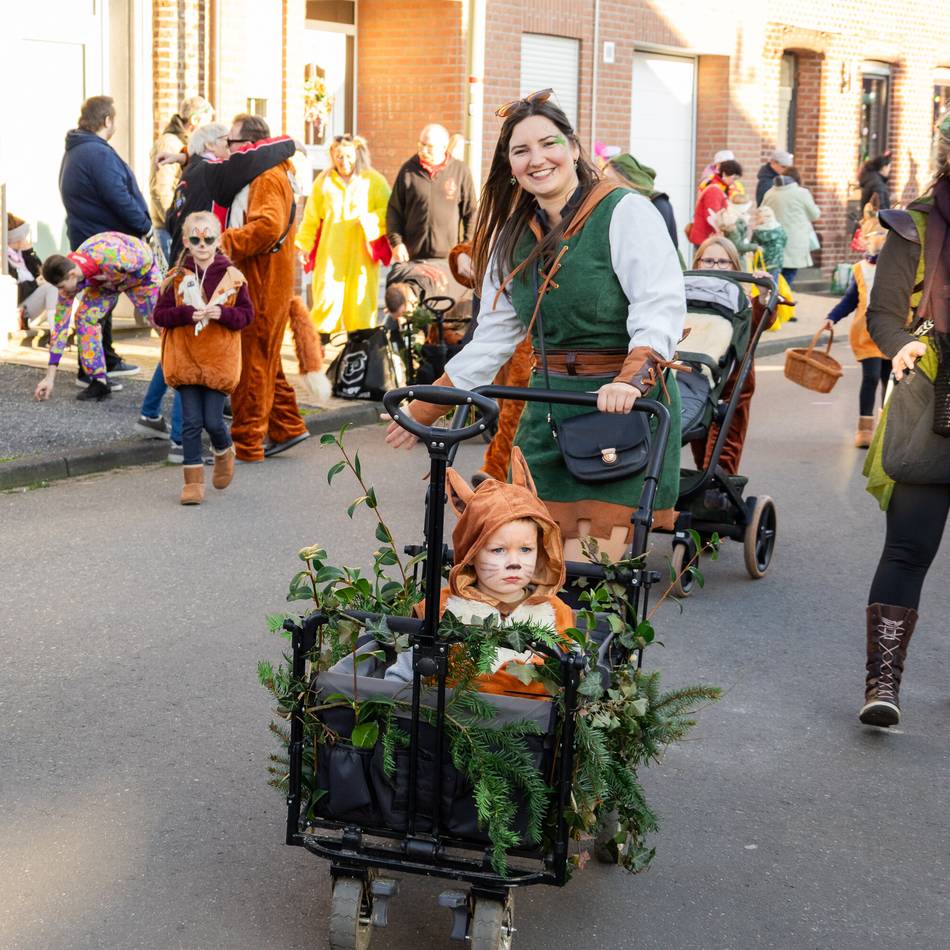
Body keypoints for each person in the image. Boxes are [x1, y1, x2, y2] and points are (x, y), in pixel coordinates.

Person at [385, 90, 685, 562]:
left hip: (621, 412)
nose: (537, 159)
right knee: (526, 563)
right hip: (548, 409)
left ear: (574, 148)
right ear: (510, 166)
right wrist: (428, 404)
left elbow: (659, 307)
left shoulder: (625, 211)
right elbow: (493, 336)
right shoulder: (510, 236)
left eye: (549, 144)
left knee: (592, 568)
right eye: (521, 150)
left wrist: (631, 379)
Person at [857, 113, 950, 728]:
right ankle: (882, 684)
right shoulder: (914, 226)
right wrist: (902, 345)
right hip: (931, 397)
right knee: (909, 549)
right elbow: (883, 315)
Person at [385, 449, 573, 698]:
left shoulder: (556, 613)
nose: (514, 563)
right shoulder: (442, 609)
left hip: (533, 720)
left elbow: (576, 676)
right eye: (498, 550)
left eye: (526, 549)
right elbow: (402, 675)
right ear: (471, 555)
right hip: (452, 716)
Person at [219, 114, 310, 462]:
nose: (228, 149)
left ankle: (248, 442)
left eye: (231, 142)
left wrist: (224, 243)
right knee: (266, 360)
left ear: (247, 144)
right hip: (267, 281)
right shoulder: (271, 171)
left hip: (261, 283)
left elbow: (267, 227)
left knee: (252, 364)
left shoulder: (266, 176)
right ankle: (287, 426)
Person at [152, 211, 254, 504]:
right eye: (196, 240)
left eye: (208, 239)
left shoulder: (233, 278)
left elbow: (247, 315)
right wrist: (185, 314)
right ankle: (193, 483)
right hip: (185, 359)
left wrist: (223, 313)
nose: (202, 246)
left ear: (217, 240)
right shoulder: (176, 278)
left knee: (212, 420)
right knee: (191, 422)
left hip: (218, 362)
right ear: (186, 241)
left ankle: (224, 450)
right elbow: (160, 315)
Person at [58, 95, 145, 382]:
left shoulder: (78, 150)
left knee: (99, 305)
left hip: (89, 237)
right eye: (114, 119)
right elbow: (118, 195)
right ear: (107, 120)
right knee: (97, 306)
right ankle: (93, 368)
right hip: (101, 242)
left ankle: (104, 360)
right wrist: (143, 224)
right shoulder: (96, 153)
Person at [33, 232, 160, 402]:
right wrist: (50, 377)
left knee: (161, 320)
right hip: (105, 283)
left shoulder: (112, 256)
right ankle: (99, 381)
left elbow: (146, 258)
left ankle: (183, 370)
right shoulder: (68, 282)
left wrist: (123, 279)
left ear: (72, 274)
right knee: (84, 318)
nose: (61, 291)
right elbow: (60, 328)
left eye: (61, 286)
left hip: (140, 276)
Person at [687, 235, 774, 477]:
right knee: (697, 443)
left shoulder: (742, 301)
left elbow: (758, 323)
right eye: (709, 261)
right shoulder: (687, 295)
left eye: (723, 262)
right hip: (697, 377)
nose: (715, 267)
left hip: (731, 384)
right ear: (698, 263)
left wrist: (763, 297)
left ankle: (719, 488)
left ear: (734, 266)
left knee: (722, 455)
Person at [295, 134, 391, 335]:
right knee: (326, 301)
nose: (344, 161)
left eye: (348, 156)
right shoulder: (323, 182)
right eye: (339, 156)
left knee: (361, 302)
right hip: (330, 254)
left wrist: (369, 220)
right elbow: (311, 218)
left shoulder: (374, 181)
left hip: (362, 256)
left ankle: (362, 345)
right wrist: (304, 246)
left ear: (357, 154)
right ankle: (319, 346)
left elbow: (388, 212)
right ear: (332, 155)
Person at [823, 210, 889, 448]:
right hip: (866, 332)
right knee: (871, 377)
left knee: (889, 380)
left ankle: (886, 429)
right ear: (866, 240)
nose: (877, 241)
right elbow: (851, 299)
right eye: (873, 237)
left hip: (892, 330)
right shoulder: (860, 268)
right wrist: (833, 317)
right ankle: (865, 430)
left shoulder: (898, 267)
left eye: (882, 236)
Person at [386, 123, 477, 263]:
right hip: (412, 258)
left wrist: (466, 247)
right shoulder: (408, 170)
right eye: (421, 144)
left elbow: (471, 213)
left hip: (448, 259)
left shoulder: (460, 171)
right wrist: (396, 243)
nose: (423, 150)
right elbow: (394, 210)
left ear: (444, 147)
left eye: (429, 146)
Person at [149, 96, 215, 259]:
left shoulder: (184, 143)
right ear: (195, 120)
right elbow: (161, 190)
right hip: (168, 232)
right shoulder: (170, 144)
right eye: (207, 122)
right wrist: (174, 224)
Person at [603, 153, 680, 249]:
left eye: (612, 181)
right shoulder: (614, 207)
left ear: (628, 180)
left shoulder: (658, 203)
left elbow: (662, 247)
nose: (607, 187)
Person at [761, 170, 820, 287]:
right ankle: (780, 295)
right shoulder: (802, 193)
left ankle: (774, 294)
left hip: (773, 242)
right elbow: (815, 215)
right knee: (789, 274)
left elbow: (761, 212)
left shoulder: (769, 193)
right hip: (795, 241)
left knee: (773, 275)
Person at [6, 214, 56, 331]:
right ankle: (56, 332)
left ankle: (54, 327)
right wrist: (35, 283)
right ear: (15, 237)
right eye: (24, 235)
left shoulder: (22, 255)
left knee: (57, 286)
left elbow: (41, 272)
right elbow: (13, 292)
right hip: (14, 309)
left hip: (27, 307)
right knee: (51, 288)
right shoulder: (4, 260)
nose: (26, 238)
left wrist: (29, 252)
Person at [688, 159, 742, 247]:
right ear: (724, 174)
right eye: (734, 178)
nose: (734, 182)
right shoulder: (715, 190)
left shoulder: (717, 187)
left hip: (708, 237)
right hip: (706, 238)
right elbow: (712, 216)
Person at [749, 205, 787, 282]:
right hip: (776, 261)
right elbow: (784, 242)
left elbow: (754, 246)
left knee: (762, 282)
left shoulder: (757, 232)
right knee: (774, 282)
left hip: (762, 262)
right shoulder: (780, 229)